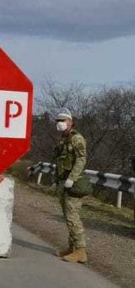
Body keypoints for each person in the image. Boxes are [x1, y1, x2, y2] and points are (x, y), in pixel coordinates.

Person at [53, 108, 88, 263]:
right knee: (68, 216)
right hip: (63, 182)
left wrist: (72, 178)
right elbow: (59, 160)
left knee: (73, 217)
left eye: (63, 120)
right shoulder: (63, 139)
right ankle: (72, 248)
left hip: (74, 183)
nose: (60, 123)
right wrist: (57, 179)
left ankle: (81, 251)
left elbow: (81, 159)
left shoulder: (76, 138)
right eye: (58, 121)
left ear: (70, 122)